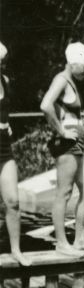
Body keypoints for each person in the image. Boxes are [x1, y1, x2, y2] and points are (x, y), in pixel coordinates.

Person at [40, 42, 84, 255]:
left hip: (78, 144)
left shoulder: (72, 81)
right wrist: (62, 131)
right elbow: (46, 105)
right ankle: (61, 243)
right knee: (64, 193)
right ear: (73, 64)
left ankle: (80, 238)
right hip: (66, 145)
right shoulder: (61, 80)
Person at [0, 41, 30, 266]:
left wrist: (6, 124)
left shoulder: (5, 81)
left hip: (3, 146)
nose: (2, 64)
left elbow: (5, 110)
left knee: (12, 200)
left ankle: (16, 250)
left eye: (3, 61)